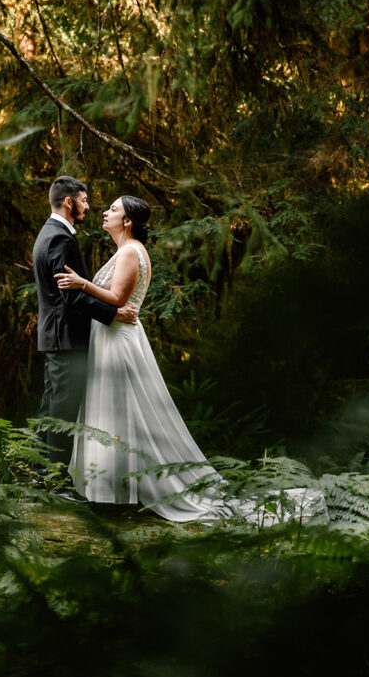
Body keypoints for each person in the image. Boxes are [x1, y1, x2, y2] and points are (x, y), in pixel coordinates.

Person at [55, 195, 328, 525]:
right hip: (112, 338)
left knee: (122, 412)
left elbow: (118, 299)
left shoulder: (130, 251)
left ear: (127, 221)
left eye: (113, 209)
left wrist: (82, 284)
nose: (104, 212)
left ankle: (116, 495)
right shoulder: (125, 251)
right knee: (118, 413)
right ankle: (110, 490)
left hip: (119, 343)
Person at [32, 176, 138, 491]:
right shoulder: (61, 239)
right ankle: (54, 485)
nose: (88, 206)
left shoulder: (47, 234)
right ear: (69, 202)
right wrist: (113, 313)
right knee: (62, 415)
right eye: (85, 200)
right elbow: (72, 295)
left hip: (55, 337)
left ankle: (40, 478)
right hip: (67, 339)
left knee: (51, 411)